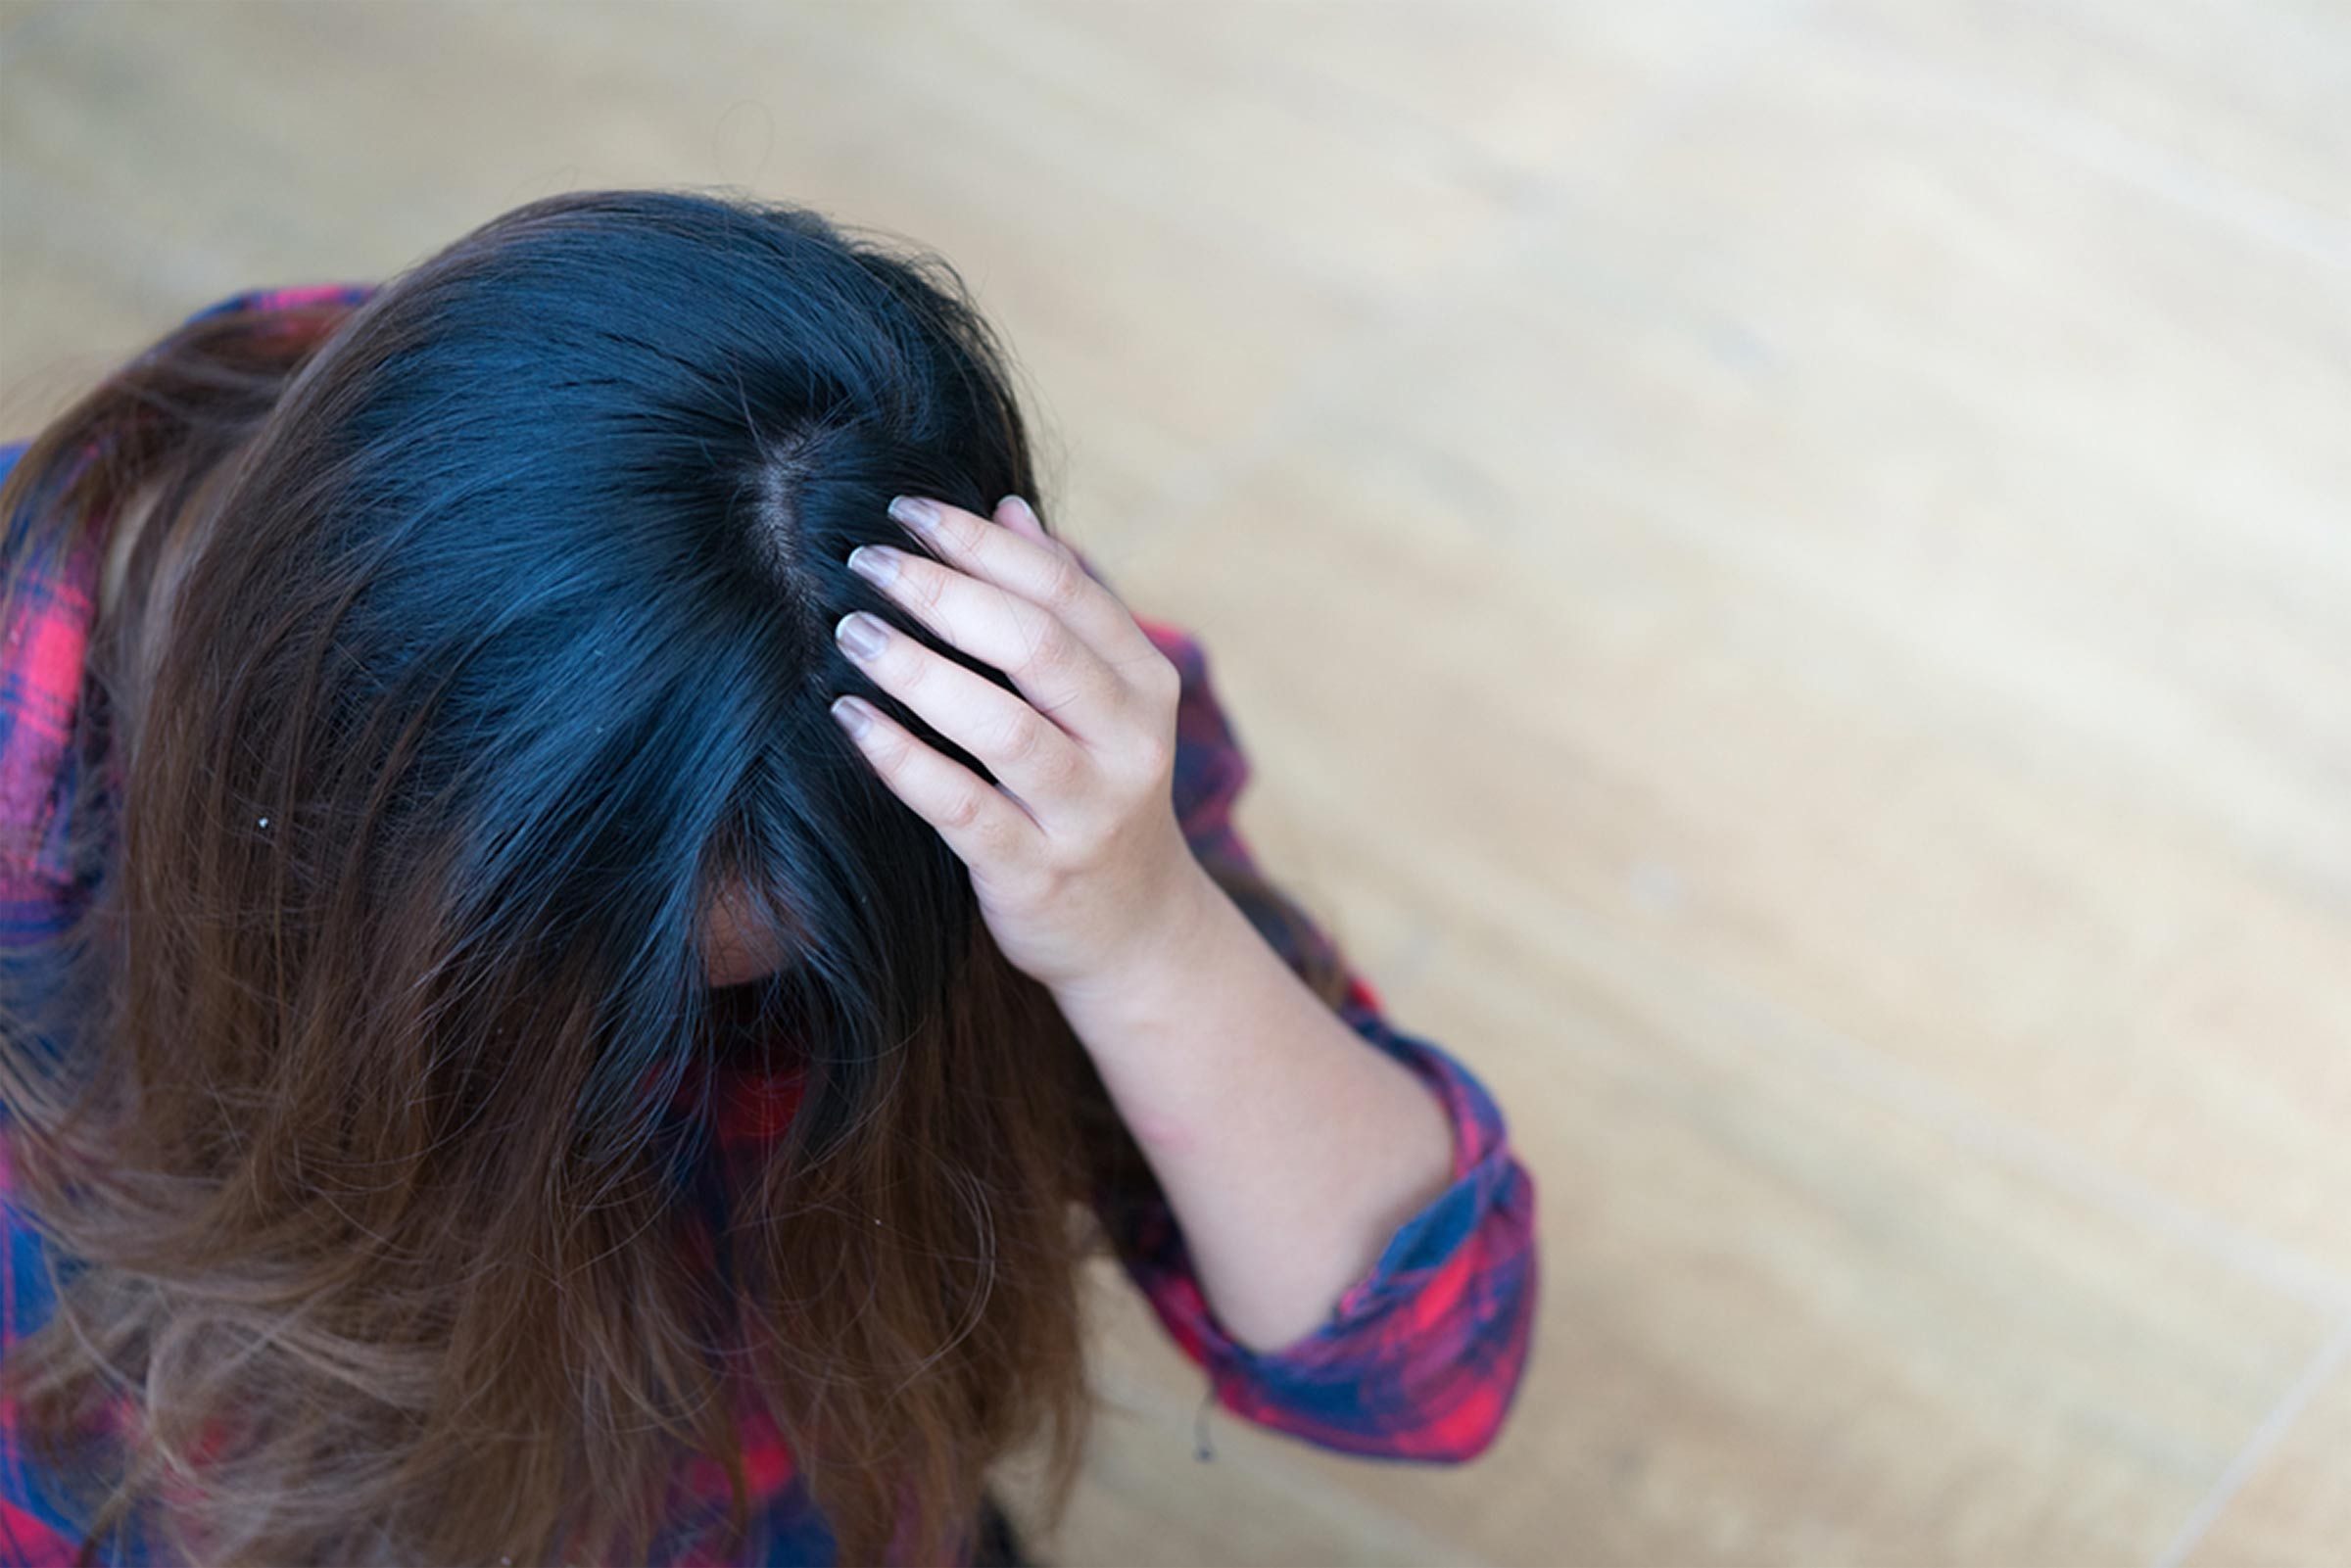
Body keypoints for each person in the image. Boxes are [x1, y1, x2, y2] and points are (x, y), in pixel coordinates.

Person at [0, 189, 1538, 1566]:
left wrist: (1144, 936)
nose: (695, 1031)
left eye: (759, 976)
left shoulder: (1004, 747)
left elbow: (1427, 1369)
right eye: (625, 973)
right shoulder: (45, 752)